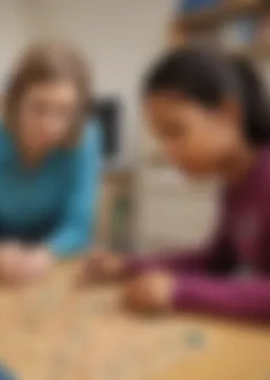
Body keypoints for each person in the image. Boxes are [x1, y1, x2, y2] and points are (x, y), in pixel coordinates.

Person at [81, 46, 270, 322]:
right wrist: (129, 266)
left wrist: (180, 293)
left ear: (228, 114)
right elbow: (216, 260)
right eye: (161, 138)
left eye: (175, 131)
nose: (168, 153)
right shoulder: (235, 181)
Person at [0, 43, 101, 285]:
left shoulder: (85, 139)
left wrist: (46, 254)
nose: (51, 126)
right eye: (39, 108)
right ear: (15, 102)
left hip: (54, 272)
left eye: (65, 112)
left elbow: (79, 227)